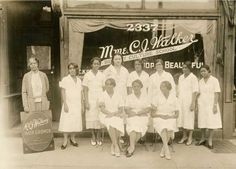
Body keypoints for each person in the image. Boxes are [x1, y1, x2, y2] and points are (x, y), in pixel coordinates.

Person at [196, 65, 222, 149]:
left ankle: (210, 140)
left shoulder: (214, 80)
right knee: (202, 122)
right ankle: (203, 138)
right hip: (202, 104)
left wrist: (214, 105)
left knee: (211, 122)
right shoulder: (200, 81)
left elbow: (217, 93)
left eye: (204, 71)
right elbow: (198, 93)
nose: (202, 73)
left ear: (208, 71)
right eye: (201, 71)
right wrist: (196, 103)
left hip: (211, 104)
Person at [151, 81, 179, 160]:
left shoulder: (174, 98)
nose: (161, 88)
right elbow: (152, 114)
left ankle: (164, 149)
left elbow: (177, 114)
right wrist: (161, 115)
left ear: (168, 88)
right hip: (159, 117)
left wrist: (170, 117)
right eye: (161, 86)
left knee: (170, 126)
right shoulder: (156, 97)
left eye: (163, 86)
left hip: (171, 117)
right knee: (163, 126)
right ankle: (167, 151)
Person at [59, 63, 83, 150]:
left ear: (76, 70)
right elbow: (63, 92)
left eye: (73, 68)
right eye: (70, 68)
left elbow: (81, 93)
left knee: (75, 121)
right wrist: (65, 103)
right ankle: (65, 140)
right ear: (68, 70)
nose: (72, 70)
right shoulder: (65, 79)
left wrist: (82, 104)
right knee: (66, 121)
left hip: (77, 104)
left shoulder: (79, 80)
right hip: (68, 103)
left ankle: (73, 138)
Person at [98, 78, 124, 157]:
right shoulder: (102, 95)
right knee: (111, 122)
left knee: (118, 121)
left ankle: (113, 145)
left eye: (110, 84)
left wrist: (113, 114)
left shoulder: (118, 95)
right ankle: (116, 145)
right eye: (107, 84)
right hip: (105, 114)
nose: (108, 86)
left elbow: (121, 109)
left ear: (114, 85)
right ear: (105, 85)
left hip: (116, 114)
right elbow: (102, 109)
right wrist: (110, 114)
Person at [124, 80, 150, 157]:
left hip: (143, 116)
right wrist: (134, 113)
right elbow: (127, 109)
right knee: (133, 125)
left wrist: (139, 113)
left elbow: (148, 109)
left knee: (139, 125)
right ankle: (132, 147)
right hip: (132, 115)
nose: (136, 88)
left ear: (141, 87)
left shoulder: (146, 97)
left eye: (137, 86)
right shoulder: (129, 97)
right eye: (134, 86)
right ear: (132, 87)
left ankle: (131, 146)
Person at [83, 57, 105, 146]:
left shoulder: (102, 75)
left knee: (99, 117)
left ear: (100, 65)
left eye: (98, 63)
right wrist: (86, 101)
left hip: (99, 98)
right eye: (94, 63)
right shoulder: (87, 75)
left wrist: (103, 100)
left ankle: (99, 136)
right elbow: (85, 89)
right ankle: (93, 136)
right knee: (91, 118)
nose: (96, 65)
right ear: (91, 65)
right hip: (90, 98)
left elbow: (104, 89)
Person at [177, 61, 198, 146]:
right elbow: (179, 90)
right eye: (183, 67)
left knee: (189, 119)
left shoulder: (193, 77)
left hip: (189, 101)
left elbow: (195, 91)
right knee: (182, 119)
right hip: (181, 101)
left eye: (186, 67)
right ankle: (184, 136)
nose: (184, 69)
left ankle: (190, 137)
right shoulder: (181, 77)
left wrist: (193, 103)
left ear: (189, 68)